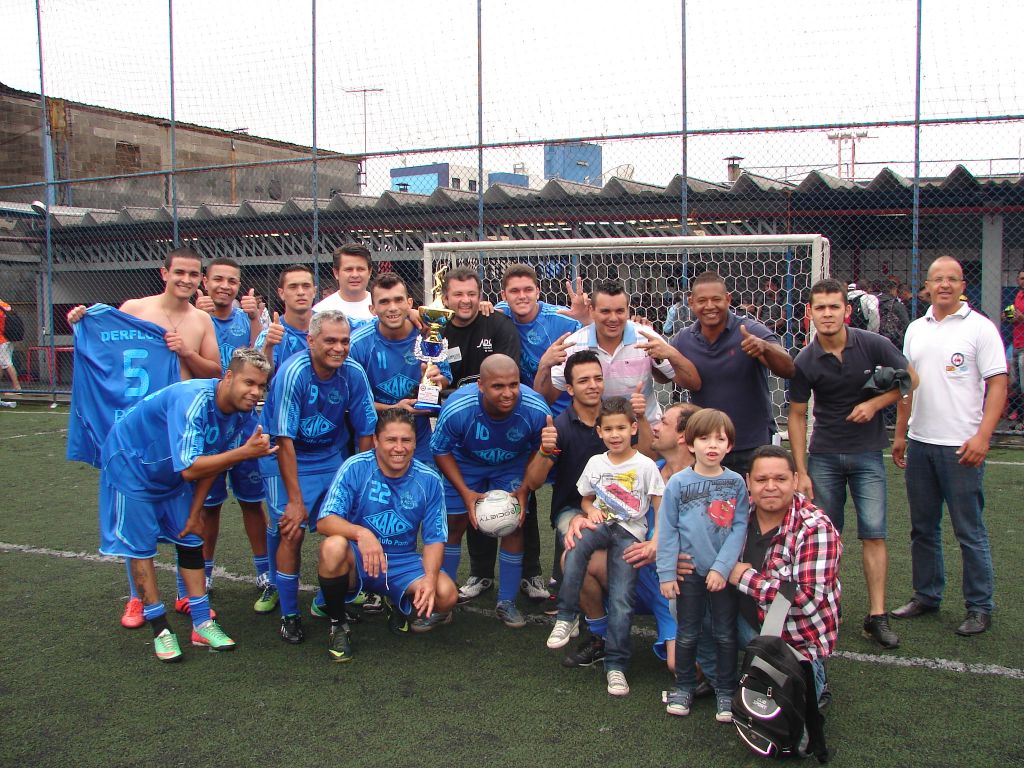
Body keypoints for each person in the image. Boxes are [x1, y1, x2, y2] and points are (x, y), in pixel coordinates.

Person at [66, 247, 222, 628]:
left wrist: (186, 353)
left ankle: (185, 594)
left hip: (179, 431)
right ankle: (137, 598)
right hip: (139, 431)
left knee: (187, 512)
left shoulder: (201, 319)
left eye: (193, 274)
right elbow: (108, 349)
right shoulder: (135, 308)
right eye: (179, 272)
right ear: (164, 273)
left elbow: (215, 371)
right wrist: (82, 321)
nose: (186, 280)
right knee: (136, 513)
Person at [97, 348, 276, 661]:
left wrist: (195, 513)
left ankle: (202, 623)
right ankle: (160, 628)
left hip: (172, 472)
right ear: (228, 377)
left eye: (261, 386)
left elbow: (213, 460)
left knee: (192, 537)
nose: (255, 392)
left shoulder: (242, 414)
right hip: (132, 467)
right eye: (249, 382)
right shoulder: (193, 399)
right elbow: (192, 467)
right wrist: (244, 453)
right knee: (141, 548)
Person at [789, 278, 917, 650]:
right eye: (820, 308)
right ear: (810, 313)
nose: (827, 314)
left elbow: (911, 379)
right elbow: (796, 415)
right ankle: (830, 606)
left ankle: (877, 616)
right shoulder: (805, 360)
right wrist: (801, 470)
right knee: (827, 538)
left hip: (867, 454)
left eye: (834, 307)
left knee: (874, 533)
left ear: (847, 310)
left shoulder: (873, 344)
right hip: (824, 455)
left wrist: (875, 404)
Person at [891, 256, 1008, 636]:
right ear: (926, 286)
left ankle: (979, 606)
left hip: (961, 447)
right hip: (921, 444)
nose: (944, 285)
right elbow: (907, 385)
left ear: (962, 285)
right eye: (937, 279)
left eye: (952, 279)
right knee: (922, 529)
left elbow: (998, 384)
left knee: (969, 531)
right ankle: (927, 595)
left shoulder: (980, 328)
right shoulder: (915, 329)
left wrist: (982, 436)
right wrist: (901, 433)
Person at [258, 309, 377, 644]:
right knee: (291, 531)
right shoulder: (293, 372)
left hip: (330, 456)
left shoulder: (353, 372)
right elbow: (284, 440)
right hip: (285, 456)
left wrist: (360, 478)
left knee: (347, 526)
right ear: (311, 341)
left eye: (344, 341)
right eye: (330, 341)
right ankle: (289, 614)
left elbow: (366, 430)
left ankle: (326, 602)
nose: (339, 348)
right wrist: (296, 501)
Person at [314, 409, 458, 660]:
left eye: (406, 440)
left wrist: (430, 578)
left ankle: (395, 599)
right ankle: (338, 625)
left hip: (401, 561)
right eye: (391, 440)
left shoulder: (429, 479)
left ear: (415, 443)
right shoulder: (355, 467)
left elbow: (434, 538)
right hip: (360, 557)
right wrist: (361, 534)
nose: (399, 448)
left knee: (446, 595)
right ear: (376, 440)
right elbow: (325, 521)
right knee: (333, 546)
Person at [546, 397, 664, 697]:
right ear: (599, 432)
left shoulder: (646, 465)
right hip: (601, 525)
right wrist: (589, 511)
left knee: (622, 599)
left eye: (621, 428)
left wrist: (655, 539)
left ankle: (616, 666)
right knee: (575, 547)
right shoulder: (596, 463)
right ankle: (565, 616)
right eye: (608, 429)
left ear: (633, 428)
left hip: (629, 534)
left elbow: (658, 505)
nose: (615, 435)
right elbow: (586, 499)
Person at [430, 354, 551, 628]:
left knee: (514, 526)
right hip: (465, 463)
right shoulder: (458, 407)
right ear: (481, 386)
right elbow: (440, 450)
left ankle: (506, 601)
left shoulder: (535, 408)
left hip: (511, 464)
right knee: (453, 525)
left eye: (513, 384)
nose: (508, 393)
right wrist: (465, 492)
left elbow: (539, 449)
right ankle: (443, 601)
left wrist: (524, 488)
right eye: (498, 386)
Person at [493, 264, 586, 601]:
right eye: (514, 291)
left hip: (562, 420)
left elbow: (594, 339)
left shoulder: (562, 320)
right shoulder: (497, 315)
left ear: (538, 291)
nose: (521, 296)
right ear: (503, 295)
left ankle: (569, 577)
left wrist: (586, 319)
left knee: (571, 495)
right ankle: (529, 573)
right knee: (524, 491)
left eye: (527, 290)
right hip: (521, 420)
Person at [725, 445, 842, 704]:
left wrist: (744, 578)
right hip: (747, 621)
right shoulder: (737, 515)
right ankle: (719, 675)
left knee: (790, 713)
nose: (770, 487)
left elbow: (808, 598)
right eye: (761, 480)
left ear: (795, 480)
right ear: (748, 482)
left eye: (780, 479)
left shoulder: (815, 528)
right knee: (687, 594)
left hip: (792, 640)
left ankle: (813, 673)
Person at [438, 266, 526, 603]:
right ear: (445, 298)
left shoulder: (497, 324)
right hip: (459, 429)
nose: (466, 300)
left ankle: (513, 593)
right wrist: (435, 383)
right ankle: (450, 593)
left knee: (514, 518)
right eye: (458, 294)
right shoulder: (435, 328)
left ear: (481, 296)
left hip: (503, 427)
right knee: (457, 519)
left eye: (472, 294)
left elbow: (508, 376)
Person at [192, 258, 274, 611]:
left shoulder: (246, 318)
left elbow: (259, 361)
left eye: (232, 280)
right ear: (205, 281)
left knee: (252, 501)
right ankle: (205, 572)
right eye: (218, 279)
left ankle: (263, 570)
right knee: (208, 506)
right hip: (209, 420)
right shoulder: (195, 318)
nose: (225, 286)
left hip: (243, 421)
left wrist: (255, 319)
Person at [657, 409, 749, 722]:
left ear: (729, 445)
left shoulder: (735, 483)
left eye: (720, 439)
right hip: (689, 575)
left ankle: (726, 690)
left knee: (724, 633)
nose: (712, 445)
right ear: (690, 443)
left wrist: (722, 568)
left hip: (721, 577)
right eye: (704, 438)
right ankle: (684, 686)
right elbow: (668, 529)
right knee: (687, 633)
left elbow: (739, 527)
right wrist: (666, 572)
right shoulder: (678, 483)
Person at [669, 270, 795, 476]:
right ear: (691, 303)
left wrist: (765, 348)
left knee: (756, 497)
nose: (710, 306)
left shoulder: (750, 330)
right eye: (702, 301)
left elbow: (788, 368)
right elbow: (663, 374)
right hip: (707, 447)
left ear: (728, 299)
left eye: (716, 299)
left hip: (752, 445)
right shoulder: (684, 339)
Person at [541, 280, 700, 423]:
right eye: (605, 311)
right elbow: (545, 399)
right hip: (597, 434)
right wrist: (544, 366)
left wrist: (672, 354)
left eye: (619, 311)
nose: (613, 318)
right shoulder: (574, 344)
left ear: (628, 310)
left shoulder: (646, 337)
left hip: (646, 430)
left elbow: (693, 384)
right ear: (592, 310)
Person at [349, 273, 452, 464]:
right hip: (375, 439)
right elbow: (353, 403)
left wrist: (435, 380)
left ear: (409, 303)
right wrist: (394, 408)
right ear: (372, 309)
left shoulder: (428, 334)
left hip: (419, 440)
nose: (393, 308)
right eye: (384, 302)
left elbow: (445, 376)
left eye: (398, 300)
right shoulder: (358, 344)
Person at [255, 264, 316, 370]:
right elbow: (261, 375)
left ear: (314, 291)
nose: (301, 292)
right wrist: (268, 346)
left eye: (306, 286)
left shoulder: (329, 328)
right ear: (281, 293)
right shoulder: (269, 336)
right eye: (293, 287)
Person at [312, 243, 375, 330]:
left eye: (360, 269)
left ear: (369, 272)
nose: (355, 275)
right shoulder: (321, 311)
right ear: (336, 273)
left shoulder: (383, 307)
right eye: (348, 269)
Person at [1006, 269, 1024, 425]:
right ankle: (1018, 415)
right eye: (1021, 278)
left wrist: (1022, 317)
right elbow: (1012, 315)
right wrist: (1008, 316)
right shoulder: (1018, 295)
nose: (1023, 281)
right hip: (1016, 343)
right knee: (1015, 384)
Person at [0, 299, 21, 394]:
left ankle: (17, 388)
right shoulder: (4, 305)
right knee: (2, 363)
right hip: (9, 337)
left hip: (2, 340)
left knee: (7, 363)